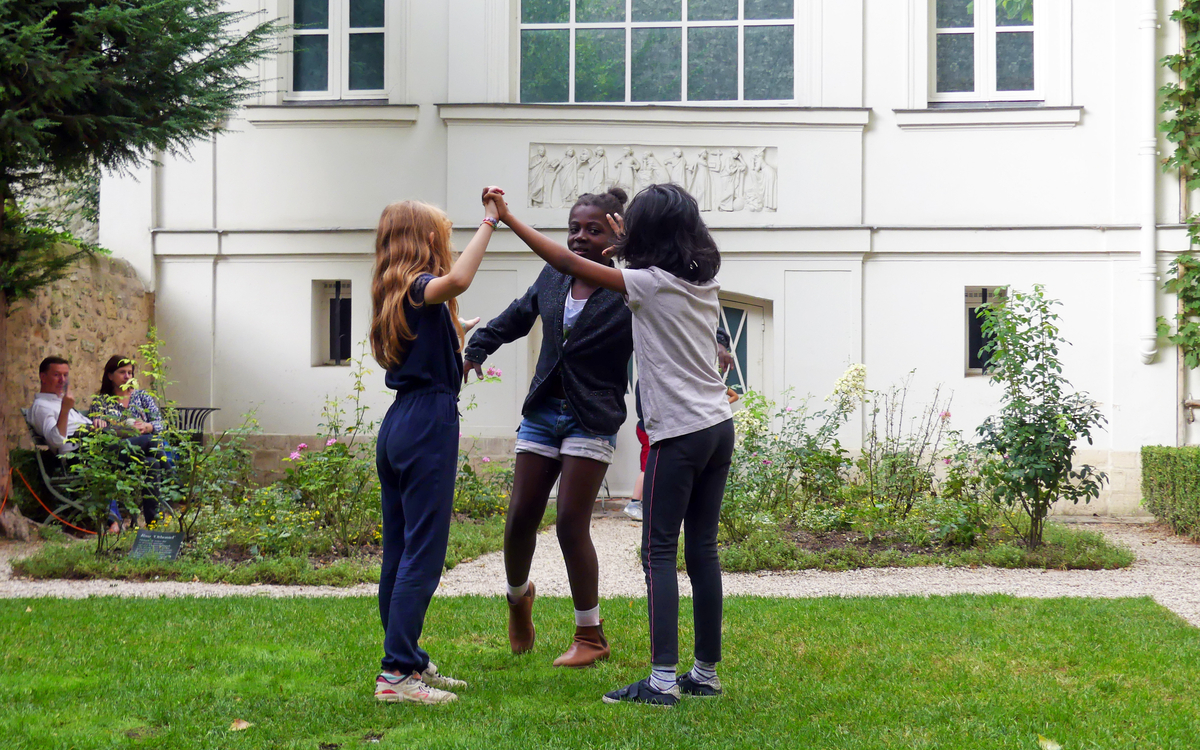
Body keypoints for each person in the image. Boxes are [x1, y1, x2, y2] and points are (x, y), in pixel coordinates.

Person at [486, 183, 735, 707]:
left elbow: (564, 259)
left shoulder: (642, 283)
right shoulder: (702, 279)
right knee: (703, 550)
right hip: (717, 425)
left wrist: (508, 219)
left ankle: (662, 681)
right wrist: (628, 234)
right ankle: (705, 674)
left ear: (638, 233)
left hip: (679, 433)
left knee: (659, 554)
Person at [463, 187, 633, 668]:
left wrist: (719, 343)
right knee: (519, 518)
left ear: (616, 234)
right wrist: (477, 348)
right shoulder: (554, 275)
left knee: (569, 523)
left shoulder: (631, 286)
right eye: (574, 229)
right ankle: (519, 600)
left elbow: (683, 306)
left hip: (591, 415)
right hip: (543, 410)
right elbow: (518, 315)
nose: (580, 237)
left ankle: (590, 635)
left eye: (593, 229)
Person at [369, 195, 499, 705]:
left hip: (402, 421)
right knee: (422, 553)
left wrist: (458, 334)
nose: (447, 242)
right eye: (442, 234)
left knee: (401, 550)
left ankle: (408, 660)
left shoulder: (396, 292)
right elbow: (459, 280)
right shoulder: (422, 286)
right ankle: (396, 674)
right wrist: (491, 220)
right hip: (426, 424)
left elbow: (433, 337)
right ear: (426, 240)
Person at [624, 332, 735, 522]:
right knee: (648, 467)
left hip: (662, 428)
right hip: (650, 429)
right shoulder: (651, 378)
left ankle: (646, 504)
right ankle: (635, 503)